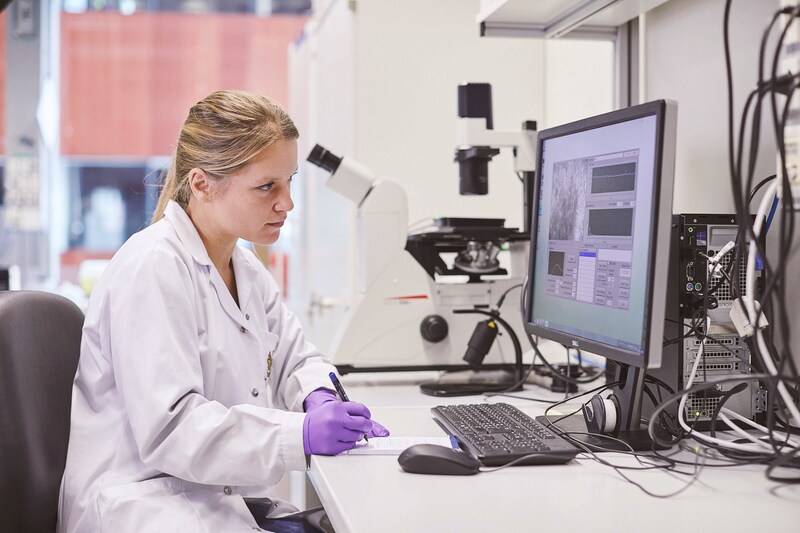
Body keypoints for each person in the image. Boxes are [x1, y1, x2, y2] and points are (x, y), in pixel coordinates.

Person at [58, 90, 387, 533]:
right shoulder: (153, 267)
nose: (286, 202)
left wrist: (318, 394)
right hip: (144, 507)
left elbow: (295, 356)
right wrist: (300, 435)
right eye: (267, 186)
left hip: (210, 498)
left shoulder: (243, 267)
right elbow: (173, 428)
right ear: (201, 184)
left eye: (289, 181)